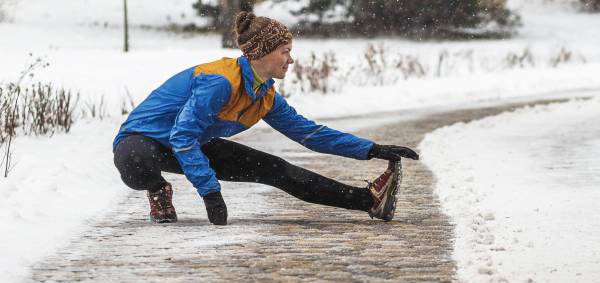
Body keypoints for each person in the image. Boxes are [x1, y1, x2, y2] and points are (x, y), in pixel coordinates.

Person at [112, 12, 419, 226]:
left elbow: (309, 134)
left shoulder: (265, 96)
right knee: (136, 164)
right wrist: (210, 192)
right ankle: (157, 188)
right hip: (143, 141)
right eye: (285, 51)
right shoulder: (220, 82)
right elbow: (181, 135)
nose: (291, 59)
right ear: (262, 53)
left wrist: (371, 149)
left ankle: (368, 201)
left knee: (278, 170)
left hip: (190, 142)